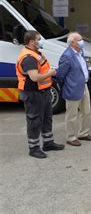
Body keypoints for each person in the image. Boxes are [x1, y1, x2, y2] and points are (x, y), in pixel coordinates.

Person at [16, 30, 64, 158]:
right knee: (34, 120)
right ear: (32, 42)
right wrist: (51, 73)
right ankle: (34, 148)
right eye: (38, 39)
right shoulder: (29, 58)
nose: (41, 41)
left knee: (47, 117)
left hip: (43, 90)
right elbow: (35, 77)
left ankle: (48, 143)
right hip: (33, 93)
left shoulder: (36, 53)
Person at [56, 32, 91, 147]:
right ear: (72, 43)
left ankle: (83, 133)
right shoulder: (67, 56)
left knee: (86, 111)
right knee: (72, 115)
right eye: (80, 40)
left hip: (84, 86)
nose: (82, 41)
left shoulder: (80, 52)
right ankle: (71, 137)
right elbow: (60, 75)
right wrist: (68, 86)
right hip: (72, 88)